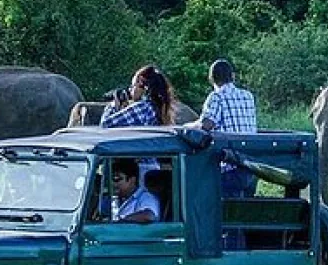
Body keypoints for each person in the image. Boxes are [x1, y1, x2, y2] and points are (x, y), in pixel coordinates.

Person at [191, 59, 258, 198]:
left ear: (211, 79)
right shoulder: (248, 96)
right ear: (232, 76)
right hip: (251, 165)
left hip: (230, 165)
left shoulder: (216, 97)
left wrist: (188, 126)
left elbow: (206, 125)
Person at [100, 65, 175, 128]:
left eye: (132, 86)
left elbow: (105, 125)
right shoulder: (157, 108)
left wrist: (113, 105)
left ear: (141, 83)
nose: (130, 90)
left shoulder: (143, 107)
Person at [110, 159, 160, 223]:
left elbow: (148, 216)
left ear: (132, 180)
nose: (113, 184)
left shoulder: (146, 197)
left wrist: (121, 221)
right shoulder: (118, 199)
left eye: (117, 179)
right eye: (111, 180)